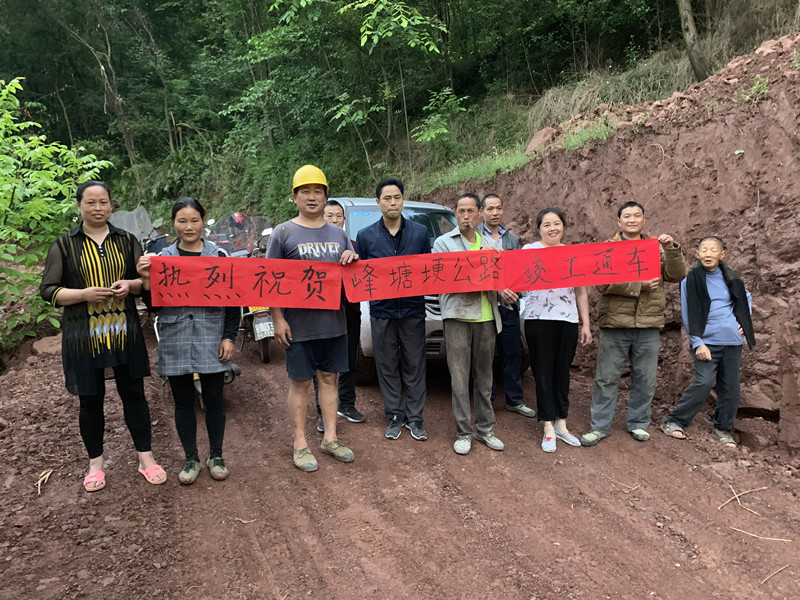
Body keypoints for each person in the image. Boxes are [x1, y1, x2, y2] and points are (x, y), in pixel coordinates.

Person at [40, 181, 166, 492]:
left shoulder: (126, 240)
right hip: (83, 335)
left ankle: (146, 459)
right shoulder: (64, 245)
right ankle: (95, 465)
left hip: (123, 330)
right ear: (79, 206)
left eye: (103, 202)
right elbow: (48, 291)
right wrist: (83, 294)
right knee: (90, 400)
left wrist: (130, 285)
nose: (98, 208)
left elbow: (144, 281)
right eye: (91, 202)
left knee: (134, 394)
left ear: (111, 205)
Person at [137, 197, 239, 484]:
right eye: (182, 221)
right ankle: (191, 458)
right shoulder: (162, 259)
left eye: (194, 220)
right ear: (174, 223)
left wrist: (229, 336)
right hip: (176, 336)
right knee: (182, 402)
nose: (189, 226)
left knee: (214, 399)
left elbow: (234, 302)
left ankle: (216, 456)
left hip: (211, 336)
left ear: (203, 221)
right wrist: (146, 280)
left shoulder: (219, 256)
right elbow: (154, 306)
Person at [267, 165, 358, 472]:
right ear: (294, 197)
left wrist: (352, 259)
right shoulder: (283, 233)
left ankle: (330, 438)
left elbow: (352, 275)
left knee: (330, 379)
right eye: (305, 191)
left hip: (334, 323)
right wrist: (278, 319)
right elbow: (270, 279)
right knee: (301, 383)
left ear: (325, 197)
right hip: (298, 324)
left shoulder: (339, 234)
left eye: (317, 191)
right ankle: (300, 443)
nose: (311, 196)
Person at [581, 201, 687, 446]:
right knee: (606, 378)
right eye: (626, 216)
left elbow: (676, 274)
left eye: (636, 215)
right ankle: (599, 426)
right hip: (615, 323)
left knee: (645, 378)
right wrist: (638, 286)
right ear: (618, 222)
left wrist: (672, 249)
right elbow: (602, 283)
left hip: (648, 324)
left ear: (644, 220)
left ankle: (638, 423)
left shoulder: (656, 248)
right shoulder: (608, 248)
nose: (632, 220)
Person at [355, 177, 431, 441]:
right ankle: (395, 416)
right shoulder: (365, 236)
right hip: (382, 312)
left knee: (415, 365)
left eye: (397, 197)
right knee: (386, 366)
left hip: (413, 311)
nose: (392, 203)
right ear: (378, 203)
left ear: (403, 200)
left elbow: (427, 270)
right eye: (387, 198)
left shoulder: (419, 233)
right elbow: (360, 275)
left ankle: (415, 418)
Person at [660, 236, 754, 447]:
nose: (708, 254)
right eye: (704, 250)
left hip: (732, 341)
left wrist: (743, 320)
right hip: (706, 341)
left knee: (730, 387)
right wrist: (697, 342)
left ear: (722, 254)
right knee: (703, 382)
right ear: (697, 253)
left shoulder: (731, 277)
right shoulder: (690, 280)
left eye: (713, 250)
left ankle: (723, 429)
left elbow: (745, 297)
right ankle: (674, 421)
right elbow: (688, 313)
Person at [433, 193, 504, 455]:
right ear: (455, 214)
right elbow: (444, 278)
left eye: (470, 211)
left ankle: (485, 429)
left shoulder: (491, 245)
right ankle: (464, 432)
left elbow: (499, 278)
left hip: (487, 318)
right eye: (460, 211)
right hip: (458, 318)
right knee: (459, 379)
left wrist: (504, 289)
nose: (465, 216)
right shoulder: (443, 243)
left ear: (479, 213)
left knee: (485, 379)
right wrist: (478, 262)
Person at [522, 208, 593, 452]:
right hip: (538, 320)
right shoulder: (528, 251)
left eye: (557, 223)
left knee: (562, 372)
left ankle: (562, 423)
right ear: (539, 228)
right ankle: (548, 426)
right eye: (547, 224)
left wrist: (586, 323)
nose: (552, 228)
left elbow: (581, 292)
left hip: (567, 321)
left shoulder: (573, 255)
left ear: (563, 226)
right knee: (543, 372)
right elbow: (514, 279)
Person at [479, 193, 536, 418]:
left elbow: (517, 271)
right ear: (481, 212)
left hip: (509, 305)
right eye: (490, 209)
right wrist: (497, 290)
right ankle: (488, 400)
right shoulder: (474, 238)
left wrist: (515, 293)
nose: (495, 213)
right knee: (486, 355)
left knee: (512, 352)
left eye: (498, 208)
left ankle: (514, 400)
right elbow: (475, 273)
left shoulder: (511, 239)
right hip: (485, 305)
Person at [313, 200, 365, 433]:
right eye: (330, 216)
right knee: (322, 364)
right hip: (321, 314)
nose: (335, 220)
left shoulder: (353, 246)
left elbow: (366, 273)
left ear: (344, 219)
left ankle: (347, 404)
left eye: (339, 216)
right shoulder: (313, 249)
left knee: (349, 360)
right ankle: (322, 412)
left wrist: (354, 258)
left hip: (349, 312)